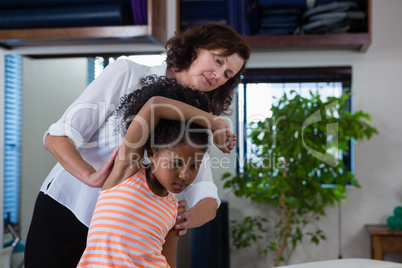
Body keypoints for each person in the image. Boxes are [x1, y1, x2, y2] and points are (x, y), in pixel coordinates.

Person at [24, 23, 250, 268]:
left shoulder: (195, 120)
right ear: (195, 48)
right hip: (68, 209)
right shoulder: (128, 73)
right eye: (218, 60)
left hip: (125, 237)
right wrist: (89, 176)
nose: (219, 75)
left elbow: (206, 195)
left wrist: (186, 218)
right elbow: (57, 136)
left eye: (228, 74)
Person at [78, 75, 235, 268]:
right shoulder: (127, 173)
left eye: (194, 165)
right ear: (152, 154)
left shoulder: (173, 211)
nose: (185, 175)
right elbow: (154, 107)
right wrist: (214, 123)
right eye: (176, 163)